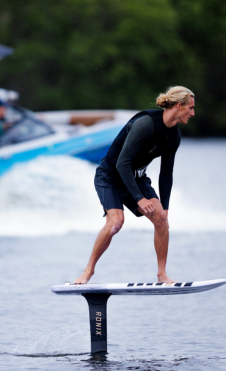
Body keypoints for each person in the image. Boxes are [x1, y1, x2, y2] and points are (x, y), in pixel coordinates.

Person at [74, 86, 195, 284]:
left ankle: (162, 274)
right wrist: (139, 198)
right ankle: (88, 271)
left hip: (136, 177)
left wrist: (164, 208)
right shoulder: (145, 124)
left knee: (162, 219)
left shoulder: (174, 136)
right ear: (179, 106)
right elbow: (122, 163)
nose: (193, 113)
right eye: (190, 108)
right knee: (115, 223)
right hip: (110, 176)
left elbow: (166, 174)